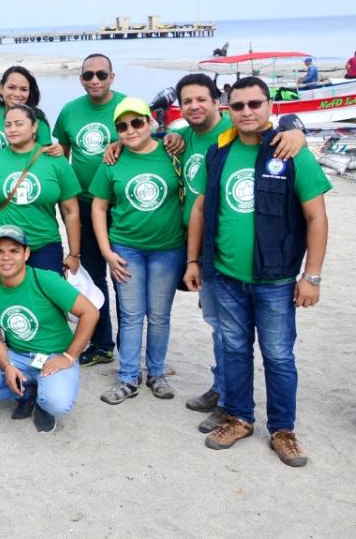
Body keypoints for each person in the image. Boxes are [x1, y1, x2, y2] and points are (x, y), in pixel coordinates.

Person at [184, 76, 330, 467]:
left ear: (269, 106)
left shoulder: (291, 150)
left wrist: (311, 276)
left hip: (277, 279)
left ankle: (283, 430)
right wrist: (194, 261)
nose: (247, 112)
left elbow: (316, 216)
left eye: (254, 104)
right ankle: (239, 418)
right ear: (227, 109)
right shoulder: (219, 151)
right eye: (239, 106)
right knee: (234, 350)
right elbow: (199, 209)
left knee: (279, 356)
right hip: (225, 276)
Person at [166, 73, 304, 429]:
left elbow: (314, 213)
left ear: (216, 103)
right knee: (224, 333)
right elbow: (148, 138)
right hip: (212, 256)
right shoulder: (185, 136)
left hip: (268, 267)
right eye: (187, 101)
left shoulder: (239, 136)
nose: (194, 106)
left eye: (201, 99)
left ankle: (238, 405)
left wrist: (296, 131)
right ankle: (225, 392)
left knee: (269, 351)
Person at [89, 98, 185, 405]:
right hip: (126, 247)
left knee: (159, 316)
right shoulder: (113, 161)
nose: (130, 130)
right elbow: (99, 206)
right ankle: (128, 377)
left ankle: (156, 372)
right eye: (122, 126)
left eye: (137, 123)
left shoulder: (172, 154)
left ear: (150, 122)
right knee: (131, 315)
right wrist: (105, 250)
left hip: (168, 249)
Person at [0, 225, 100, 431]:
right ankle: (28, 392)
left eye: (14, 250)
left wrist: (69, 357)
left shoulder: (45, 279)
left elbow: (90, 312)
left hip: (55, 354)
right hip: (17, 353)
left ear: (26, 253)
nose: (6, 257)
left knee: (57, 403)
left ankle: (42, 401)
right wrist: (7, 365)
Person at [53, 53, 128, 366]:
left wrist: (122, 143)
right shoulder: (70, 111)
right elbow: (62, 155)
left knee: (125, 276)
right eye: (88, 75)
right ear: (80, 79)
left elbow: (151, 138)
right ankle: (100, 344)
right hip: (84, 204)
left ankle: (130, 344)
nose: (94, 80)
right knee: (94, 277)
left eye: (101, 74)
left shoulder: (126, 106)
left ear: (112, 77)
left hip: (123, 206)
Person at [0, 104, 81, 276]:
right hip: (0, 246)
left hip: (43, 245)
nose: (12, 129)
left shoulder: (55, 160)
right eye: (8, 124)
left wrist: (74, 253)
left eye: (19, 124)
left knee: (46, 298)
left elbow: (70, 210)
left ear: (34, 126)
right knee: (9, 300)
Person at [0, 66, 56, 153]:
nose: (17, 94)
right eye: (11, 87)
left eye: (23, 89)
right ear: (1, 88)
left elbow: (46, 157)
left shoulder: (38, 120)